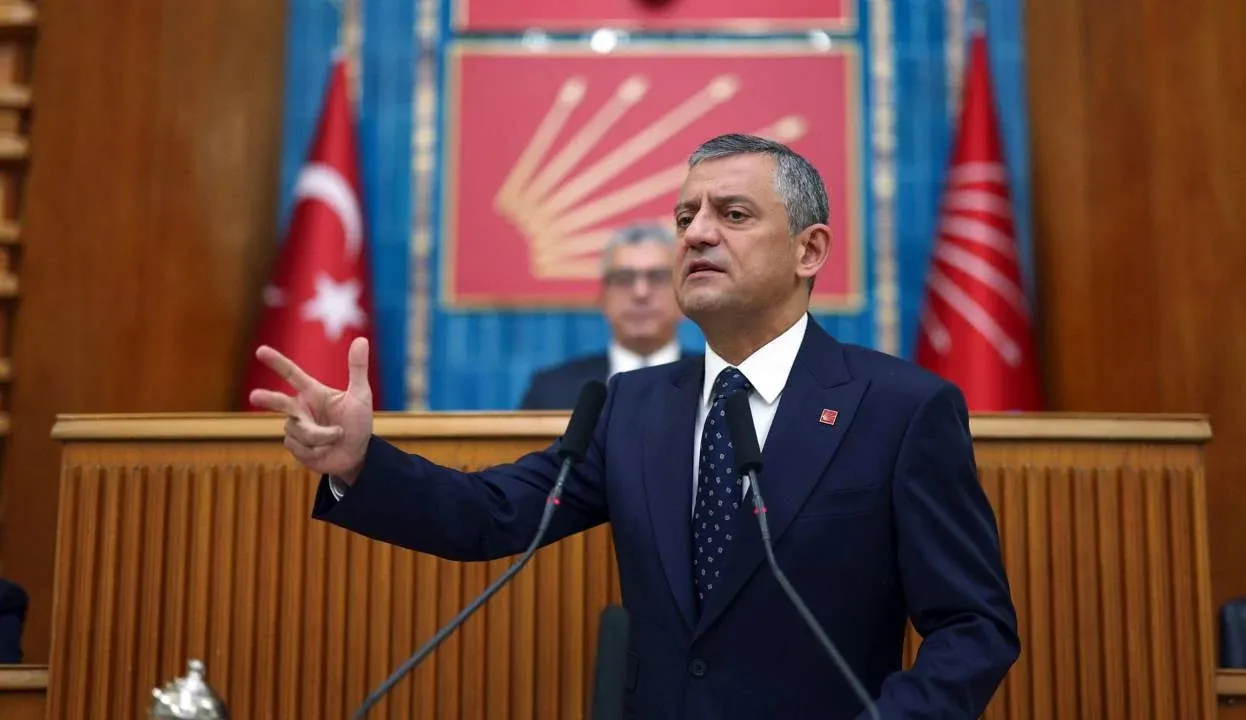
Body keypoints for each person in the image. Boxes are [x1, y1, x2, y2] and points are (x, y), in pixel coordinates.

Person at [249, 133, 1020, 719]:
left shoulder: (899, 408)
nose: (696, 234)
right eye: (686, 216)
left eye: (733, 214)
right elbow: (490, 514)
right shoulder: (634, 406)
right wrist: (359, 462)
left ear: (808, 250)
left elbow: (972, 624)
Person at [519, 222, 691, 410]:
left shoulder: (712, 382)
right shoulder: (551, 391)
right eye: (624, 278)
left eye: (657, 277)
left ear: (683, 294)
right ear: (602, 297)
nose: (640, 293)